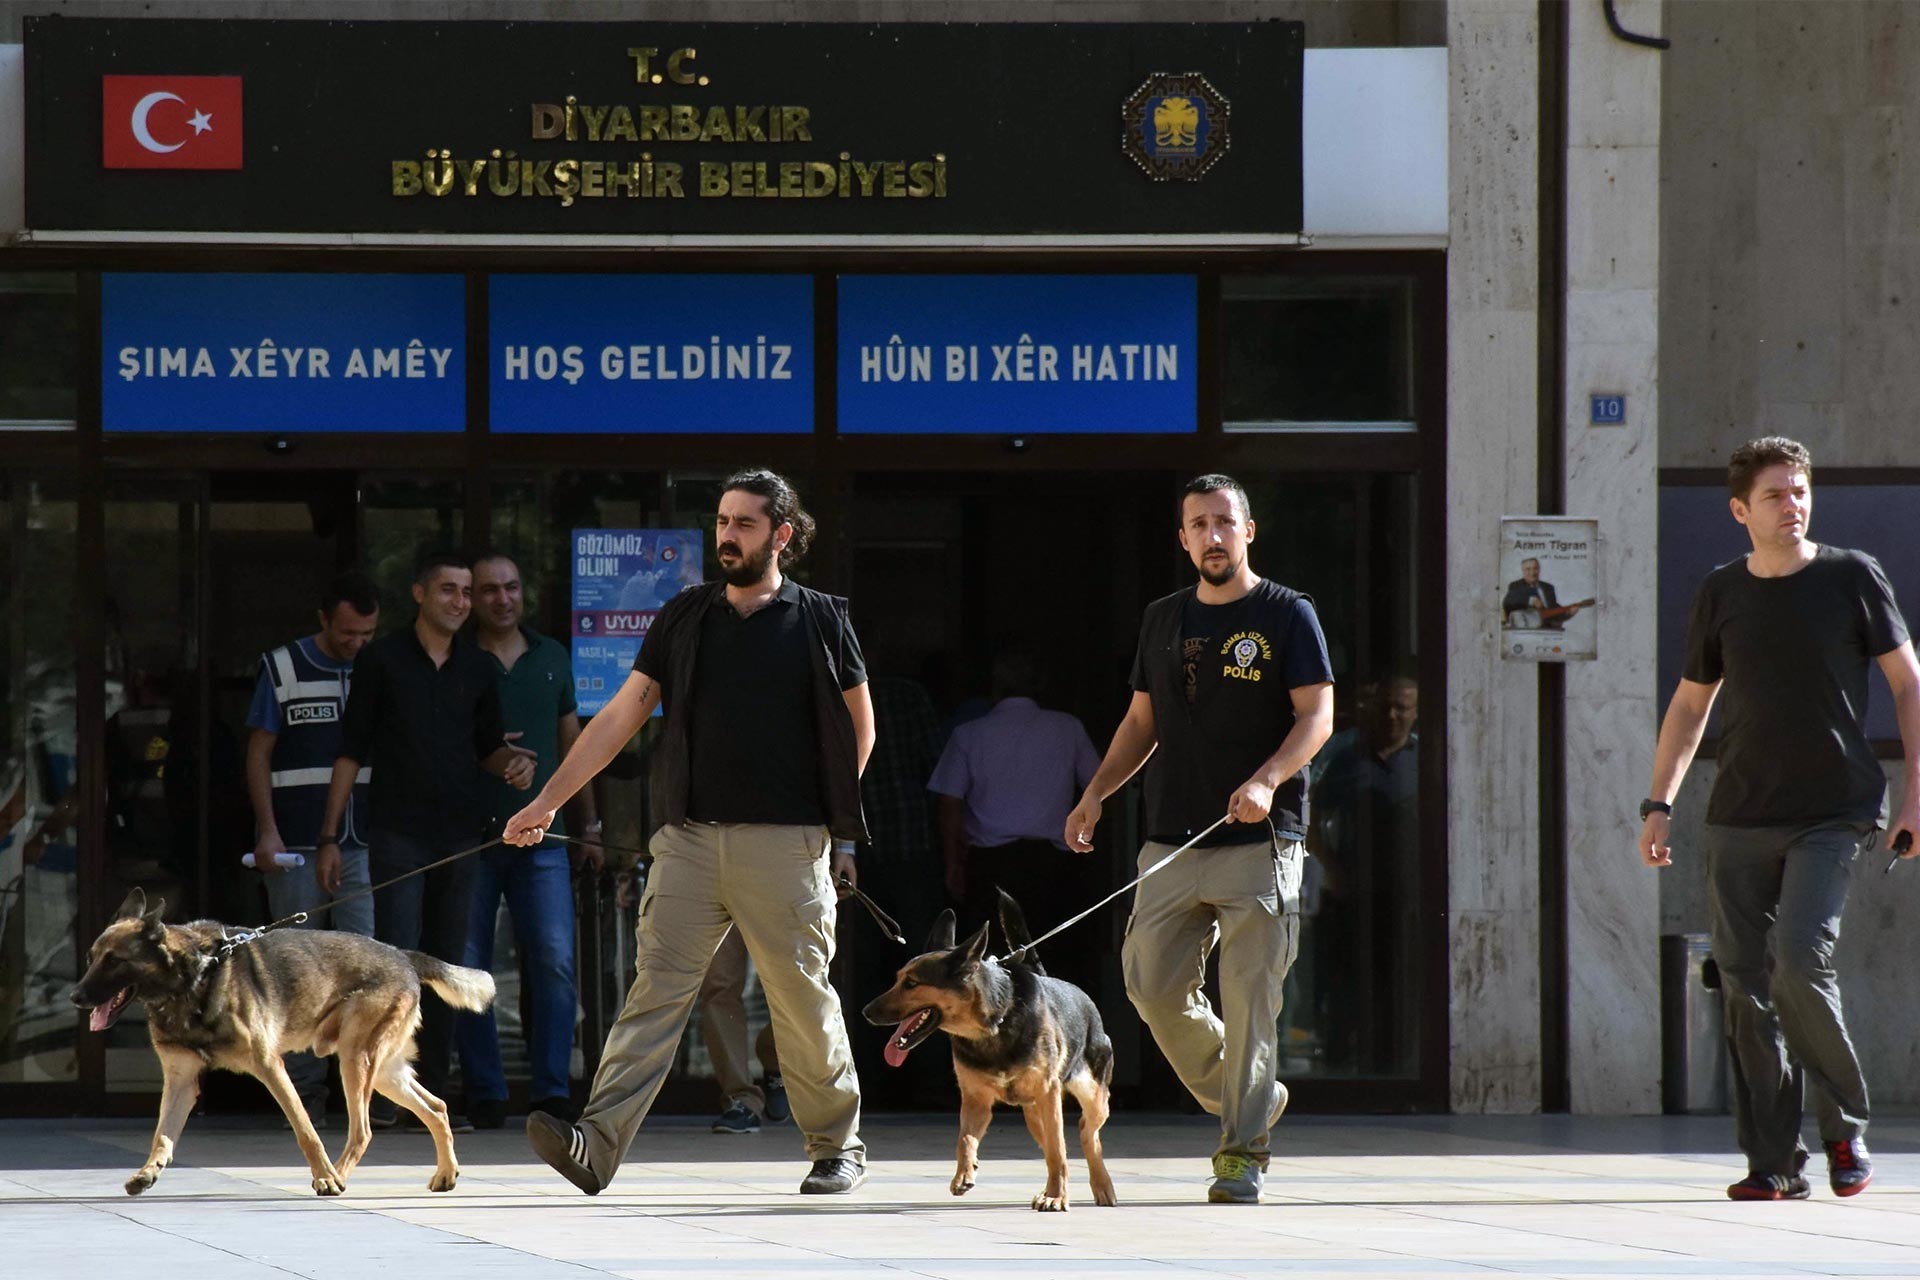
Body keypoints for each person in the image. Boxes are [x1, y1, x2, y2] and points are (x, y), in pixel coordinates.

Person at [506, 469, 875, 1198]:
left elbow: (860, 730)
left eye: (743, 523)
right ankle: (596, 1144)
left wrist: (834, 829)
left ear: (782, 535)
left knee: (800, 997)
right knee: (655, 993)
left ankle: (837, 1145)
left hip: (788, 844)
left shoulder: (823, 619)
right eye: (721, 522)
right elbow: (620, 717)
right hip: (688, 842)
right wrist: (548, 800)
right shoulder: (683, 616)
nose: (727, 535)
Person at [1640, 436, 1920, 1202]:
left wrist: (1915, 797)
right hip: (1739, 815)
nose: (1792, 505)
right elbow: (1693, 703)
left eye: (1800, 491)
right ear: (1740, 510)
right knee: (1743, 983)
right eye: (1775, 495)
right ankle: (1773, 1162)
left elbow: (1908, 683)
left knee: (1799, 958)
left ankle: (1843, 1126)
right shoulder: (1722, 591)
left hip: (1833, 813)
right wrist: (1660, 802)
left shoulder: (1851, 576)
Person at [1065, 473, 1333, 1206]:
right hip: (1171, 842)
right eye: (1198, 525)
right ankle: (1245, 1094)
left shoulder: (1288, 614)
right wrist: (1094, 794)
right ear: (1182, 539)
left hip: (1259, 841)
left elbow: (1316, 717)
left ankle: (1241, 1151)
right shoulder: (1163, 618)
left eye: (1225, 522)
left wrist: (1269, 780)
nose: (1213, 536)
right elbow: (1138, 725)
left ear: (1248, 531)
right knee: (1149, 985)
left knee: (1250, 1002)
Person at [318, 551, 536, 1128]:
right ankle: (382, 1090)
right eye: (449, 590)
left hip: (462, 834)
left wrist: (513, 765)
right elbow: (351, 748)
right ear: (419, 594)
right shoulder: (383, 659)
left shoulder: (478, 666)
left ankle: (431, 1090)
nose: (461, 602)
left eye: (466, 593)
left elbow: (488, 747)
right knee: (394, 960)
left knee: (446, 964)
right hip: (398, 833)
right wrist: (328, 836)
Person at [457, 551, 601, 1129]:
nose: (501, 599)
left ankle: (550, 1091)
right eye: (489, 589)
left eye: (511, 587)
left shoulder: (553, 656)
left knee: (555, 962)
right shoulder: (459, 659)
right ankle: (485, 1092)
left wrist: (589, 826)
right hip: (474, 839)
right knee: (468, 970)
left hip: (545, 838)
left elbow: (577, 745)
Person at [242, 569, 381, 1123]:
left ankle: (360, 1087)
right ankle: (299, 1095)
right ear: (324, 620)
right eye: (347, 633)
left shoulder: (378, 665)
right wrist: (267, 829)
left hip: (363, 839)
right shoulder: (282, 666)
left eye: (367, 635)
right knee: (294, 969)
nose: (356, 645)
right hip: (296, 839)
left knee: (364, 966)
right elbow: (259, 751)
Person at [928, 648, 1100, 990]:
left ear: (994, 688)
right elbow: (1100, 787)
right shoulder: (1068, 728)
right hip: (1054, 864)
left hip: (990, 868)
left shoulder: (970, 734)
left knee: (990, 970)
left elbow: (948, 802)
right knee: (1056, 962)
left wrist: (953, 864)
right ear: (1040, 685)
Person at [1308, 675, 1419, 1074]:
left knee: (1400, 984)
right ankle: (1339, 1065)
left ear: (1416, 712)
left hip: (1410, 896)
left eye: (1402, 708)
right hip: (1351, 893)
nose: (1392, 716)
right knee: (1344, 985)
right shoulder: (1344, 761)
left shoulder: (1426, 762)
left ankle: (1394, 1066)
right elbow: (1313, 822)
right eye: (1384, 707)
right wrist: (1334, 872)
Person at [697, 926, 786, 1133]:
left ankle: (774, 1050)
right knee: (720, 987)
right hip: (717, 895)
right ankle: (742, 1099)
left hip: (783, 894)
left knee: (801, 983)